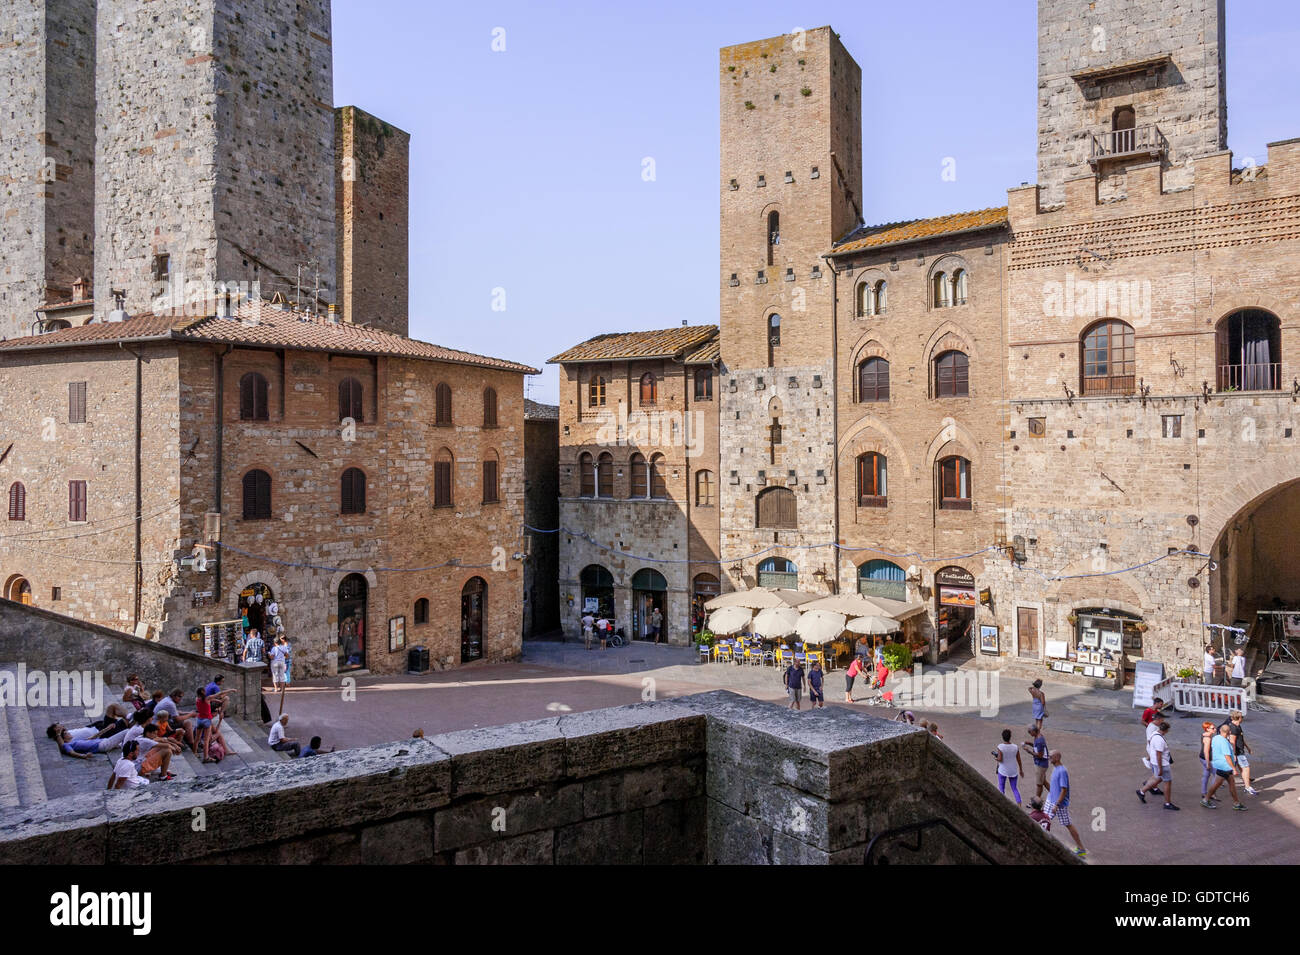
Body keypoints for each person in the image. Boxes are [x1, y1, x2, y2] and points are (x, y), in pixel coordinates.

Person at [1044, 750, 1086, 856]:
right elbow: (1054, 788)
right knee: (1043, 822)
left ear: (1057, 758)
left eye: (1051, 756)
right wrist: (1043, 781)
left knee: (1067, 824)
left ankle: (1081, 848)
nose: (1049, 758)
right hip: (1050, 801)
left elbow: (1064, 790)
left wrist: (1057, 804)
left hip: (1059, 805)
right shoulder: (1055, 768)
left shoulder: (1062, 771)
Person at [1137, 720, 1179, 810]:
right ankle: (1167, 803)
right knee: (1167, 782)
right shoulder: (1160, 740)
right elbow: (1159, 755)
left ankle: (1142, 791)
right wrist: (1160, 768)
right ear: (1166, 730)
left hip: (1154, 761)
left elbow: (1149, 743)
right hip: (1162, 764)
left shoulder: (1154, 734)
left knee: (1157, 777)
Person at [1203, 723, 1246, 810]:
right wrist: (1234, 768)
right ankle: (1206, 799)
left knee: (1231, 783)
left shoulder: (1216, 738)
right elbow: (1227, 756)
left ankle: (1236, 802)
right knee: (1217, 784)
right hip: (1225, 766)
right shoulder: (1225, 742)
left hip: (1220, 764)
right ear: (1229, 732)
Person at [1220, 709, 1258, 795]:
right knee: (1246, 767)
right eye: (1242, 717)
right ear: (1239, 718)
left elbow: (1241, 738)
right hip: (1238, 752)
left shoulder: (1237, 726)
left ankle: (1219, 782)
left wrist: (1247, 747)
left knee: (1239, 768)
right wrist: (1234, 754)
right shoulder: (1233, 728)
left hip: (1239, 751)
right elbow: (1232, 741)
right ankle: (1247, 787)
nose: (1243, 718)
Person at [994, 728, 1024, 805]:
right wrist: (1020, 769)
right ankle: (1019, 804)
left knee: (1001, 787)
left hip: (1003, 770)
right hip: (1013, 770)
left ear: (1002, 737)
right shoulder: (1015, 747)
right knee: (1014, 788)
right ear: (1010, 737)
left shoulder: (1000, 746)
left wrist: (996, 758)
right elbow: (1019, 759)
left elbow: (1000, 759)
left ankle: (1002, 803)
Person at [1023, 725, 1051, 801]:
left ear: (1035, 731)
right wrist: (1030, 744)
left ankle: (1036, 801)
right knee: (1043, 781)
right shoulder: (1038, 737)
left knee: (1039, 784)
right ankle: (1054, 794)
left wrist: (1028, 751)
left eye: (1030, 732)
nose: (1029, 733)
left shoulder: (1039, 740)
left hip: (1040, 765)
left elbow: (1040, 755)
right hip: (1041, 764)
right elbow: (1037, 747)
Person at [1198, 720, 1219, 803]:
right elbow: (1206, 751)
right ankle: (1212, 793)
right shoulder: (1208, 738)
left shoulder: (1205, 735)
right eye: (1212, 728)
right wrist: (1207, 763)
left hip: (1202, 757)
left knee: (1206, 775)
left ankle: (1204, 792)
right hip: (1207, 759)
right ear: (1207, 729)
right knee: (1216, 775)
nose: (1215, 729)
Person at [193, 686, 215, 762]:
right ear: (203, 692)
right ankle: (206, 757)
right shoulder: (207, 699)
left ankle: (194, 752)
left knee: (197, 738)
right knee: (206, 740)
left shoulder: (197, 699)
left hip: (199, 719)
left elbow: (211, 698)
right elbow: (220, 694)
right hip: (207, 720)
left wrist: (215, 700)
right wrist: (231, 690)